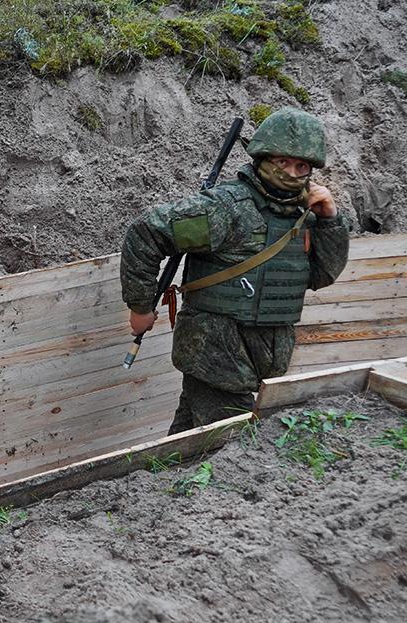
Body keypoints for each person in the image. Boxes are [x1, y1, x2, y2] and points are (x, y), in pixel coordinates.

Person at [120, 107, 350, 433]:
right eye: (282, 162)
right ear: (263, 158)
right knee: (233, 448)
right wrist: (140, 306)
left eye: (301, 166)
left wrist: (330, 220)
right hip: (215, 355)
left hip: (258, 362)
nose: (291, 172)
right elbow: (146, 233)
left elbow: (321, 275)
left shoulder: (302, 217)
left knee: (187, 446)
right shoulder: (226, 210)